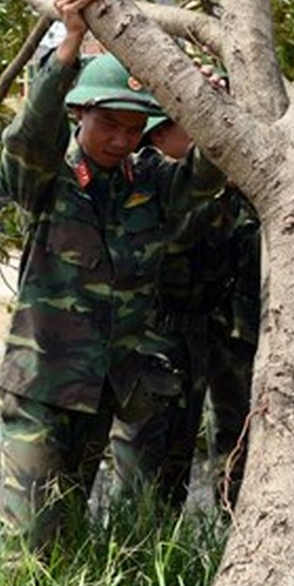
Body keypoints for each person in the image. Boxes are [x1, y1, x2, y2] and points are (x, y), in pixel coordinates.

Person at [0, 0, 223, 555]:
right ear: (80, 113)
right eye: (108, 125)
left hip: (106, 389)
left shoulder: (151, 180)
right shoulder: (50, 180)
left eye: (133, 127)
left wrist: (208, 107)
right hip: (44, 383)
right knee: (26, 535)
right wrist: (67, 46)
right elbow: (24, 144)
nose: (121, 139)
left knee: (68, 523)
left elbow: (206, 175)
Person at [111, 113, 259, 511]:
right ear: (160, 133)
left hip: (213, 326)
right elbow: (172, 237)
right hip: (157, 331)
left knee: (218, 445)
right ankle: (136, 548)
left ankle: (233, 540)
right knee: (146, 455)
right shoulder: (143, 178)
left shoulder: (220, 187)